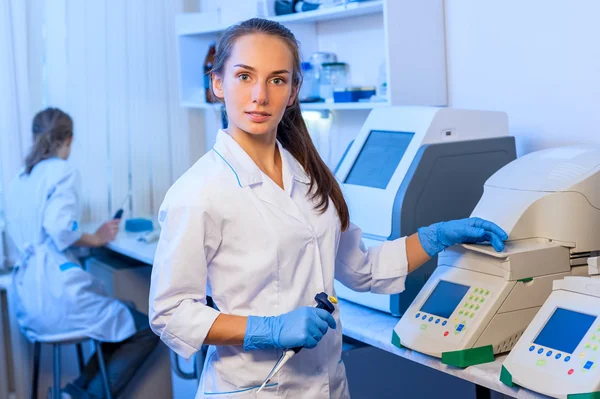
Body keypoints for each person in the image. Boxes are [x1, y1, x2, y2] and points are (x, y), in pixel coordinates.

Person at [149, 18, 508, 399]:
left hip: (328, 385)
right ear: (217, 84)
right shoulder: (198, 191)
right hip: (253, 388)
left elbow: (362, 269)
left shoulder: (309, 175)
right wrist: (267, 328)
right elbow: (170, 312)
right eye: (244, 76)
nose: (260, 96)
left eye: (277, 79)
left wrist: (437, 236)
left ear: (293, 91)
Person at [5, 108, 159, 399]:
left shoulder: (21, 178)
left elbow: (41, 231)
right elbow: (60, 229)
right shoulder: (62, 171)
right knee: (144, 328)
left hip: (28, 295)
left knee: (118, 314)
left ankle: (73, 393)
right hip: (55, 295)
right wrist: (96, 238)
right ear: (70, 139)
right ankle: (82, 397)